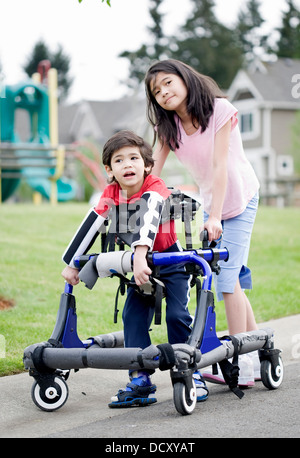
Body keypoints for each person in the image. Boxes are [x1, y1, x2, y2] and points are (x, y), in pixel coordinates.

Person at [61, 130, 209, 407]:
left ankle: (188, 370)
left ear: (147, 165)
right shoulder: (111, 193)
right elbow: (91, 223)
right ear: (109, 169)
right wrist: (72, 263)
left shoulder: (156, 186)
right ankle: (140, 376)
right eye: (119, 160)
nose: (127, 165)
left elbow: (150, 215)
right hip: (138, 265)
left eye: (133, 158)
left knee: (177, 315)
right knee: (132, 316)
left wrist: (140, 255)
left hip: (170, 260)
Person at [145, 59, 261, 386]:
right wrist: (136, 197)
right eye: (156, 90)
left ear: (184, 78)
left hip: (239, 198)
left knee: (226, 281)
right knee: (231, 278)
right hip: (213, 204)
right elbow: (153, 171)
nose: (164, 92)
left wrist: (214, 215)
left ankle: (241, 361)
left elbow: (220, 165)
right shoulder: (168, 128)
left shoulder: (219, 110)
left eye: (168, 82)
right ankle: (257, 348)